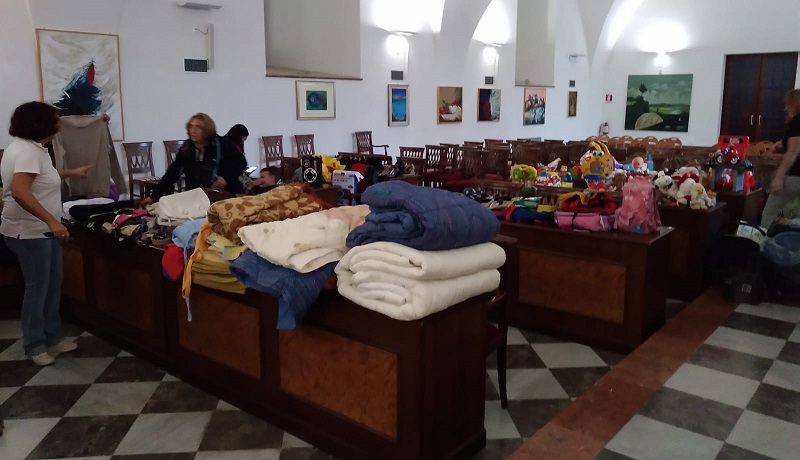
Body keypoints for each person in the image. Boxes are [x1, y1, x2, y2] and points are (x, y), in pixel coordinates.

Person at [1, 101, 94, 366]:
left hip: (40, 232)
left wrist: (72, 172)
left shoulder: (28, 148)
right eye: (55, 119)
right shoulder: (27, 152)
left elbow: (41, 177)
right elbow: (20, 191)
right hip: (29, 233)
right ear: (40, 123)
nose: (59, 124)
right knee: (38, 289)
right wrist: (52, 221)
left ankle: (54, 337)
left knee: (52, 285)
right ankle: (35, 345)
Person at [140, 113, 247, 206]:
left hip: (223, 195)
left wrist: (225, 178)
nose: (193, 130)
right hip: (197, 196)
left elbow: (241, 163)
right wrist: (154, 196)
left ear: (207, 129)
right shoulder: (187, 148)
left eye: (198, 127)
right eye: (190, 126)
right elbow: (173, 172)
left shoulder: (222, 144)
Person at [762, 89, 800, 228]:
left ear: (794, 103)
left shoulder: (797, 120)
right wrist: (782, 143)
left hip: (795, 176)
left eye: (787, 104)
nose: (786, 108)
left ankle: (766, 238)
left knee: (770, 213)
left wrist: (778, 177)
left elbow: (794, 151)